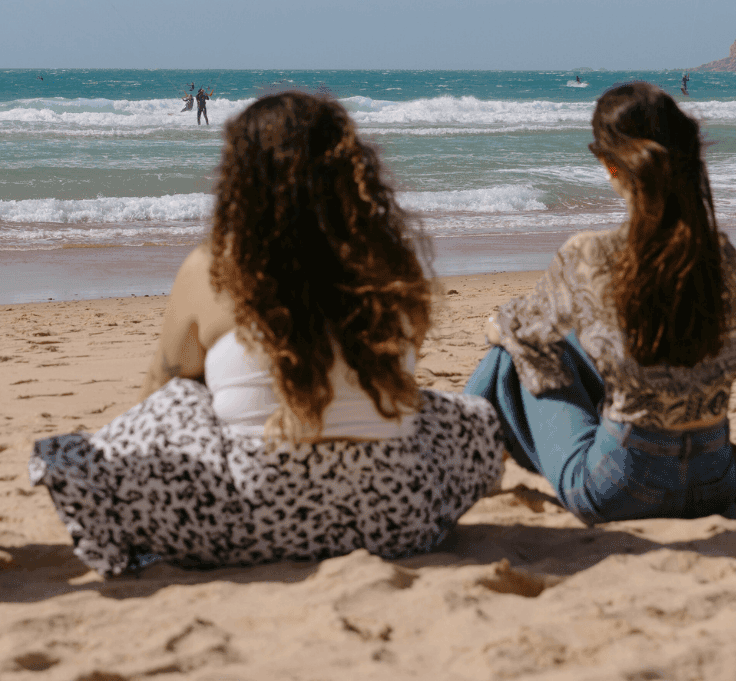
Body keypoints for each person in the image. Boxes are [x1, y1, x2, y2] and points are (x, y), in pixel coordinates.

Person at [29, 92, 503, 574]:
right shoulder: (392, 268)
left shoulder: (215, 268)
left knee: (176, 401)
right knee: (465, 415)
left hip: (248, 522)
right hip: (399, 518)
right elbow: (398, 377)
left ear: (243, 178)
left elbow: (160, 388)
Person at [465, 81, 736, 523]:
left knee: (510, 353)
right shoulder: (719, 255)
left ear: (610, 164)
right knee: (573, 340)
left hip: (622, 486)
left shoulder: (591, 254)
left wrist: (497, 325)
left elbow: (524, 331)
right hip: (717, 481)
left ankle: (466, 465)